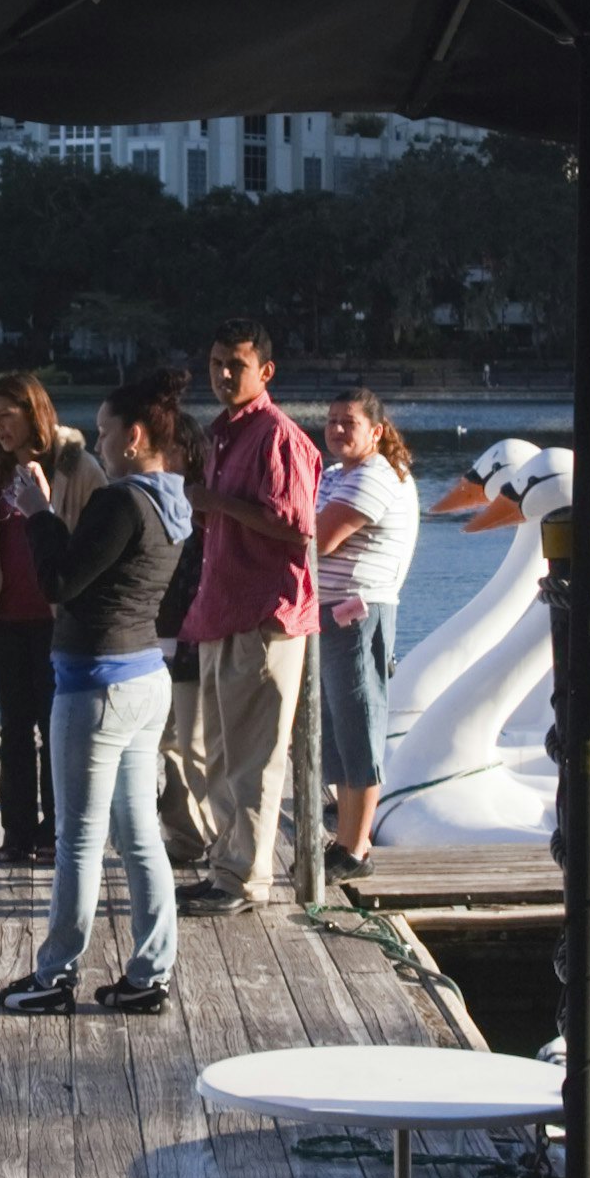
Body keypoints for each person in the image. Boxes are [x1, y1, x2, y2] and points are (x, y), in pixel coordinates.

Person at [0, 370, 188, 1015]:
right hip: (144, 679)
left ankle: (54, 975)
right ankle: (149, 974)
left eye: (106, 432)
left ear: (134, 436)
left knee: (79, 837)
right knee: (139, 834)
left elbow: (60, 583)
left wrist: (38, 515)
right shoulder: (174, 501)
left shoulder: (120, 501)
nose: (100, 444)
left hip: (96, 685)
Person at [170, 322, 320, 909]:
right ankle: (227, 864)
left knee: (255, 758)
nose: (224, 374)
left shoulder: (276, 436)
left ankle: (246, 878)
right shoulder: (221, 434)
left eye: (236, 364)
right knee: (217, 756)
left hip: (266, 614)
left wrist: (215, 504)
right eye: (216, 363)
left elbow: (296, 525)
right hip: (220, 610)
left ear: (266, 371)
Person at [0, 372, 99, 864]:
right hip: (2, 617)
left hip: (58, 619)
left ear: (33, 412)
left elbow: (106, 533)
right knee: (14, 726)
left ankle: (55, 833)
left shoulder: (77, 468)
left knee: (56, 725)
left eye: (7, 416)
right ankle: (16, 834)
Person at [313, 389, 418, 864]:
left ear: (375, 431)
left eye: (348, 422)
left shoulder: (377, 474)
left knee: (360, 722)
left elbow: (320, 538)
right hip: (328, 612)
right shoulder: (337, 474)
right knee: (335, 728)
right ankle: (344, 838)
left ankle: (355, 847)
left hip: (359, 613)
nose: (336, 429)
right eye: (332, 421)